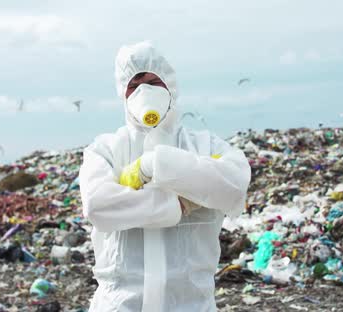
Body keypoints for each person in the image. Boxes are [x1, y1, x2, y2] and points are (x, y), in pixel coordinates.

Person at [78, 41, 251, 311]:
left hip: (190, 304)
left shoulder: (206, 145)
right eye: (134, 85)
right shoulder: (106, 149)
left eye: (153, 81)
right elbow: (99, 206)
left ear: (170, 85)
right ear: (123, 94)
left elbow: (234, 185)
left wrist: (155, 164)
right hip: (120, 304)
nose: (144, 91)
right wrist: (179, 204)